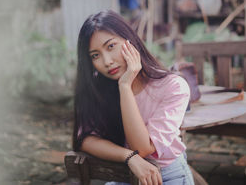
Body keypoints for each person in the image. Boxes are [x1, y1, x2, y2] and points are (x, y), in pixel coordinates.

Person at [72, 10, 194, 185]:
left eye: (111, 46)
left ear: (130, 40)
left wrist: (124, 86)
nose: (107, 61)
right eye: (95, 55)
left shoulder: (173, 86)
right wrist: (129, 157)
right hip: (123, 173)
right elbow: (84, 138)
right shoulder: (98, 87)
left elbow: (142, 148)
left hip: (165, 176)